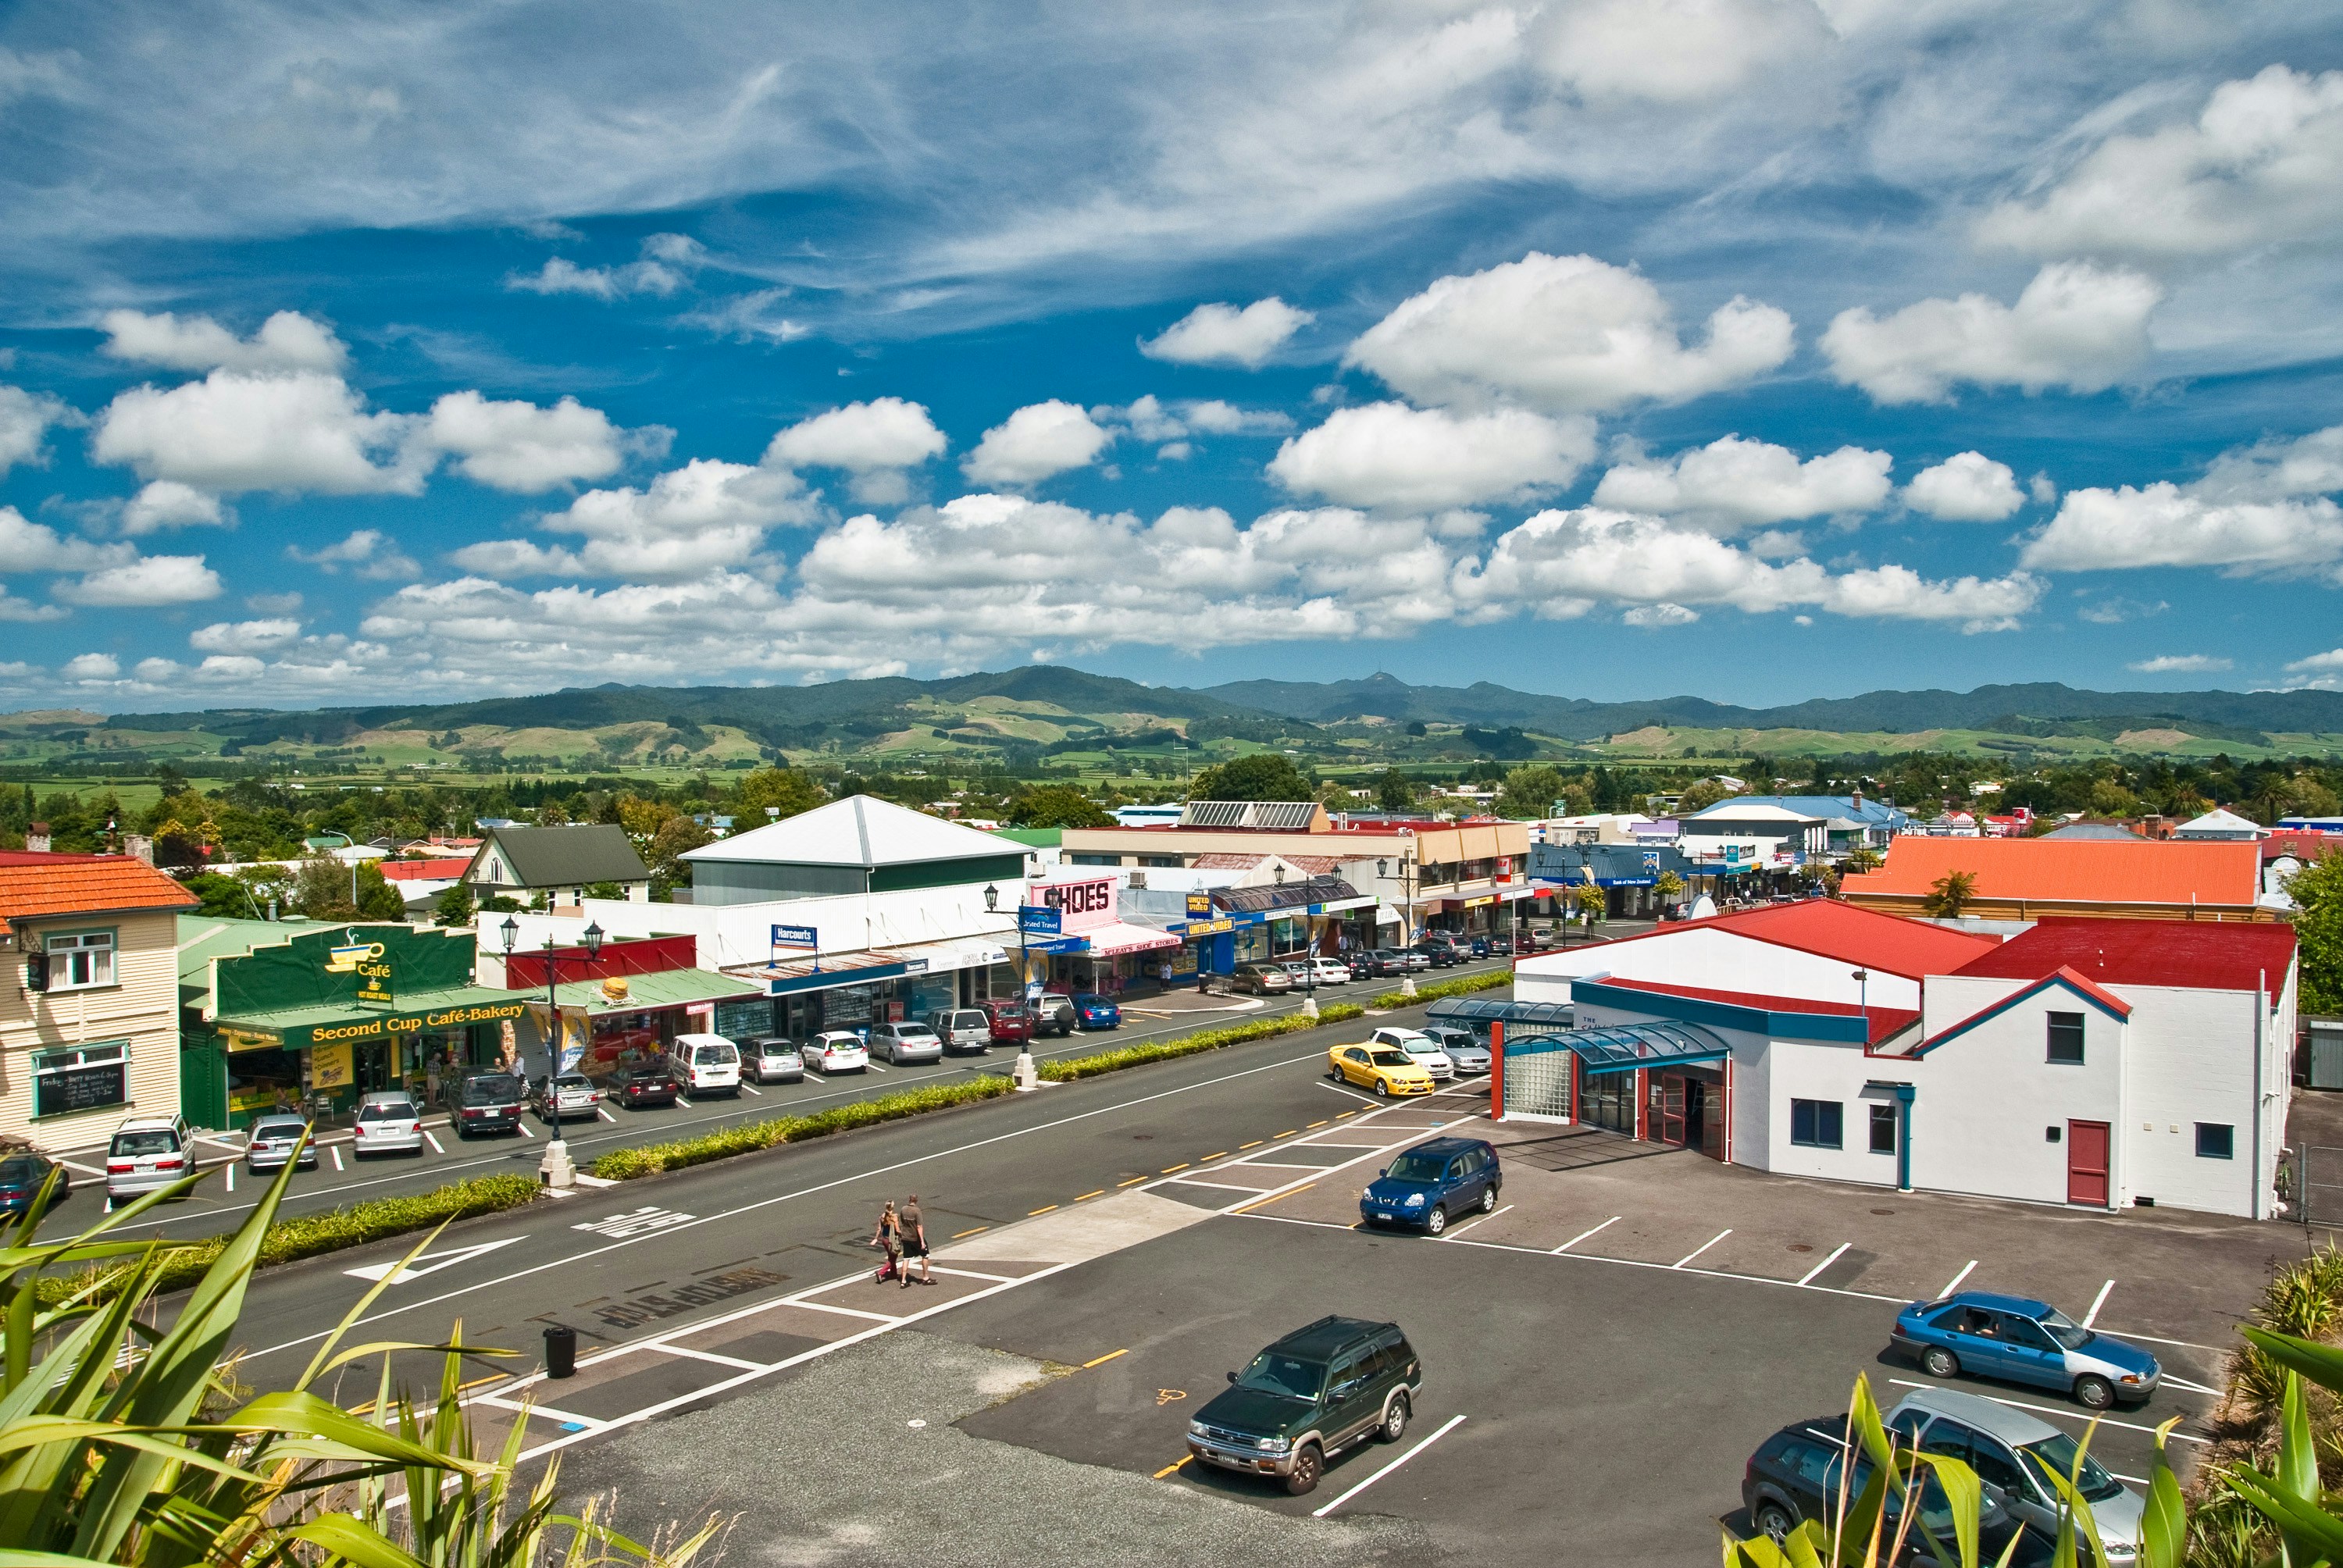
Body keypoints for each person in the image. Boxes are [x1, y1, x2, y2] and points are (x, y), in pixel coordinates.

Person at [900, 1195, 934, 1286]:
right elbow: (919, 1226)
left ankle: (903, 1281)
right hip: (915, 1237)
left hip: (906, 1237)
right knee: (925, 1255)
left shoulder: (903, 1209)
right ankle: (926, 1277)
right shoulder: (917, 1211)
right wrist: (922, 1241)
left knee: (906, 1258)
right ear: (916, 1201)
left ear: (909, 1199)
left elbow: (902, 1222)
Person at [870, 1200, 901, 1284]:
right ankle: (881, 1273)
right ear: (892, 1207)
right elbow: (898, 1230)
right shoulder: (894, 1217)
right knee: (892, 1259)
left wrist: (876, 1238)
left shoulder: (882, 1216)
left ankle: (893, 1274)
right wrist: (903, 1236)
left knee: (891, 1257)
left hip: (884, 1239)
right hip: (891, 1240)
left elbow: (879, 1229)